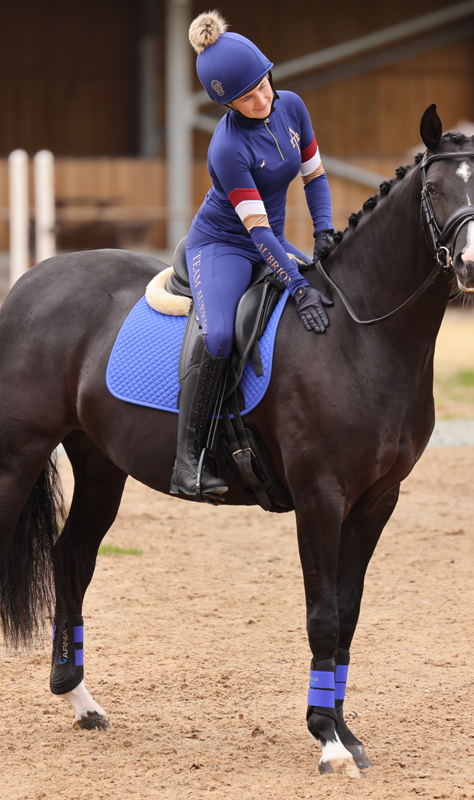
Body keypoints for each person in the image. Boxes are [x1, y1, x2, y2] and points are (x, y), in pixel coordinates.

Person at [170, 11, 335, 502]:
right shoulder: (226, 147)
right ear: (227, 102)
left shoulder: (292, 108)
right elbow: (258, 232)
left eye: (264, 84)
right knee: (219, 333)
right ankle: (187, 462)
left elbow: (315, 175)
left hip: (271, 239)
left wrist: (324, 233)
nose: (262, 98)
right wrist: (297, 284)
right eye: (248, 96)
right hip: (226, 244)